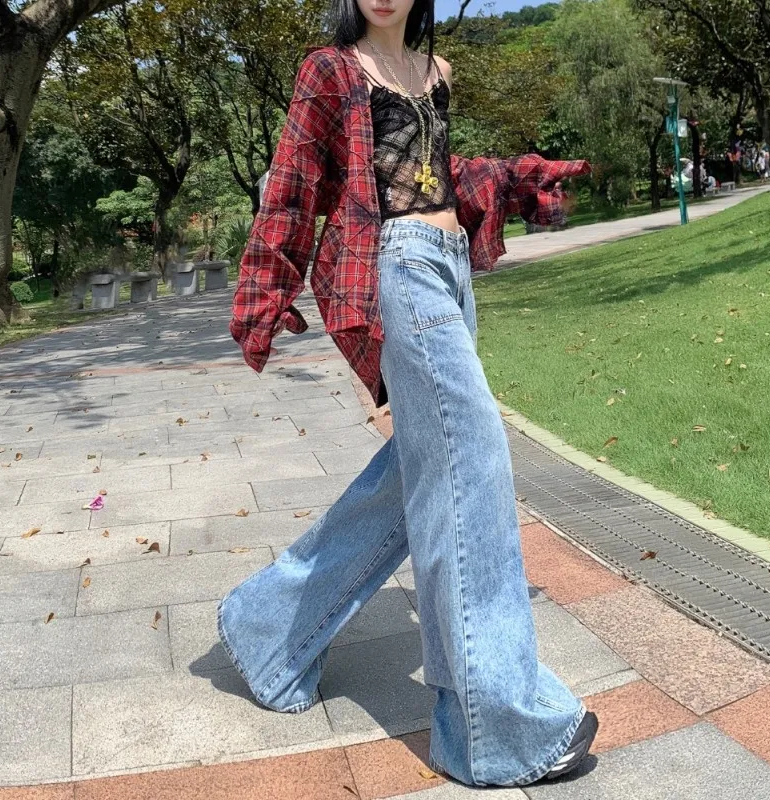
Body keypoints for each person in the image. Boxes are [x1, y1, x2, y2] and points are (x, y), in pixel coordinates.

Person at [218, 0, 597, 788]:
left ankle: (266, 627)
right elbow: (291, 187)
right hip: (396, 269)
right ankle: (497, 730)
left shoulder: (437, 71)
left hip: (451, 274)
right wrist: (266, 288)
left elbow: (434, 176)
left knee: (419, 476)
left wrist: (510, 179)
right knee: (474, 466)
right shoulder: (329, 72)